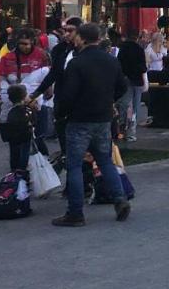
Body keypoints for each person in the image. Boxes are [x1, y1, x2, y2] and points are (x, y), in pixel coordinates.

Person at [52, 22, 129, 227]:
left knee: (75, 165)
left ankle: (75, 212)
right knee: (105, 161)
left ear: (82, 39)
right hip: (103, 118)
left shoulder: (77, 63)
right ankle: (119, 199)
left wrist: (60, 113)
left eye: (76, 36)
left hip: (79, 119)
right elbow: (122, 86)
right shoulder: (111, 60)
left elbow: (68, 95)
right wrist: (109, 100)